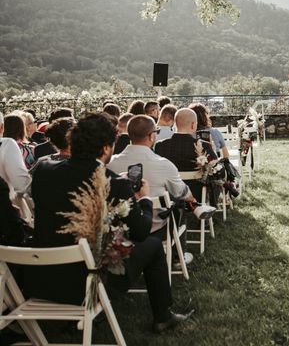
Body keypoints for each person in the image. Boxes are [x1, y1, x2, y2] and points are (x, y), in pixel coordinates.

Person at [29, 112, 193, 332]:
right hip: (88, 283)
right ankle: (163, 316)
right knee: (153, 245)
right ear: (106, 148)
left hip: (40, 278)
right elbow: (141, 232)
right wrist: (143, 198)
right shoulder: (113, 184)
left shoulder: (43, 170)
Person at [107, 115, 214, 265]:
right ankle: (178, 256)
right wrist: (194, 202)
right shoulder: (164, 164)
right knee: (179, 205)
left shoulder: (110, 163)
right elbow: (183, 192)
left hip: (118, 227)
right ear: (151, 136)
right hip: (155, 227)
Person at [155, 108, 219, 202]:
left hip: (171, 195)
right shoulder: (204, 145)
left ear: (174, 124)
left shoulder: (160, 146)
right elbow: (215, 168)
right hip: (198, 194)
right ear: (193, 125)